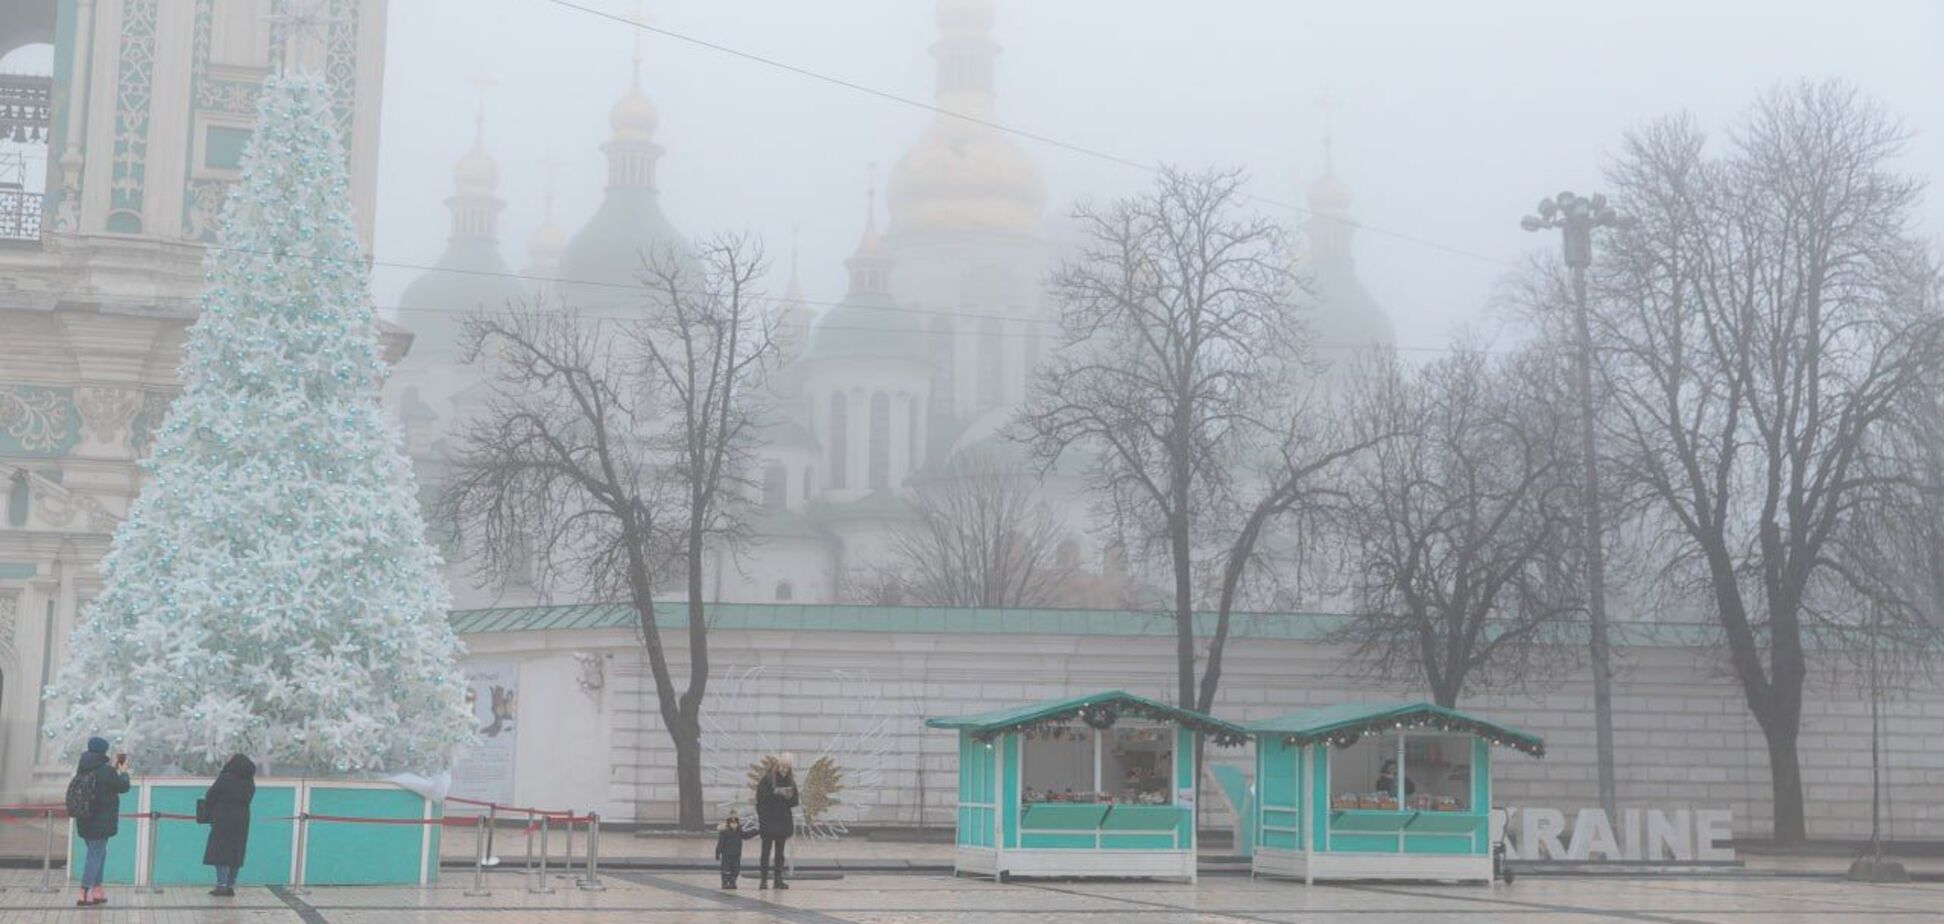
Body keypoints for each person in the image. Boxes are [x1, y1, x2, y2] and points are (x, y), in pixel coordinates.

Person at [68, 737, 131, 907]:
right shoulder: (106, 771)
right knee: (95, 855)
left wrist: (114, 771)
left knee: (98, 853)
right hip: (101, 821)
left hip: (84, 819)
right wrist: (124, 772)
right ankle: (84, 891)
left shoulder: (83, 768)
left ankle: (97, 890)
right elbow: (123, 786)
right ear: (103, 751)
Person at [201, 754, 257, 896]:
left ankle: (221, 885)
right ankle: (230, 885)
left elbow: (211, 795)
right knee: (235, 853)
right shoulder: (249, 781)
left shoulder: (226, 778)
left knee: (221, 852)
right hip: (242, 820)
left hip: (224, 818)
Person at [754, 753, 800, 890]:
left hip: (783, 821)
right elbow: (760, 799)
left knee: (780, 853)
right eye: (782, 767)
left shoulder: (791, 781)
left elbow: (795, 801)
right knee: (765, 852)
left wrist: (788, 796)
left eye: (787, 768)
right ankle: (763, 880)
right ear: (777, 766)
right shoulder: (767, 779)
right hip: (768, 820)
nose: (784, 771)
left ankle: (778, 879)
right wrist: (775, 793)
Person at [714, 812, 761, 889]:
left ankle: (733, 881)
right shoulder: (724, 833)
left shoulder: (739, 831)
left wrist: (756, 831)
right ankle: (725, 882)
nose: (734, 824)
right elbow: (720, 844)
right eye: (732, 823)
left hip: (736, 855)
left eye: (735, 823)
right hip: (726, 855)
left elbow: (746, 835)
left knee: (735, 869)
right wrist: (717, 853)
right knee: (726, 869)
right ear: (729, 823)